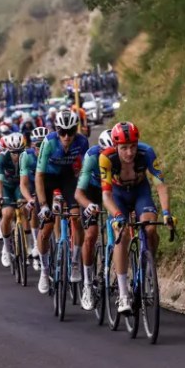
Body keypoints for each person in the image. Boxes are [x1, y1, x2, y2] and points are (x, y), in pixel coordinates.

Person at [99, 122, 175, 313]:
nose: (129, 152)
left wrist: (166, 213)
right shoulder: (106, 158)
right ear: (116, 147)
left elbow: (160, 185)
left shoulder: (147, 153)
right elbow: (106, 196)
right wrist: (116, 215)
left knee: (150, 227)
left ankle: (148, 269)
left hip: (140, 192)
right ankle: (123, 294)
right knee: (122, 234)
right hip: (117, 196)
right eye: (124, 148)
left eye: (133, 146)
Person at [34, 110, 89, 294]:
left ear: (76, 130)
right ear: (56, 130)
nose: (66, 137)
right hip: (48, 179)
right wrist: (43, 205)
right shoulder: (49, 142)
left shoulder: (82, 142)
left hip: (67, 178)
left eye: (70, 131)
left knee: (76, 217)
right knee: (47, 227)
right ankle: (44, 270)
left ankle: (74, 261)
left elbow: (84, 171)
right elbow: (39, 176)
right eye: (62, 132)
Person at [74, 130, 113, 310]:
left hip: (113, 190)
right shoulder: (91, 156)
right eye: (107, 153)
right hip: (92, 191)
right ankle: (88, 285)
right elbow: (79, 192)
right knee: (90, 235)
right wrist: (88, 205)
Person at [0, 132, 26, 268]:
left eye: (19, 152)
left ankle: (30, 244)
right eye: (14, 152)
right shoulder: (2, 158)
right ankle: (6, 249)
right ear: (8, 150)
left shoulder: (27, 157)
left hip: (20, 186)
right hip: (7, 187)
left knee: (25, 209)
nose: (16, 156)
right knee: (7, 213)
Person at [20, 125, 48, 271]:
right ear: (32, 145)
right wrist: (30, 199)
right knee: (33, 209)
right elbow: (23, 184)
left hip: (47, 184)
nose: (41, 150)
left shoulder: (53, 154)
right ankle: (36, 243)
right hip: (31, 186)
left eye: (44, 145)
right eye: (38, 146)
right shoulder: (27, 156)